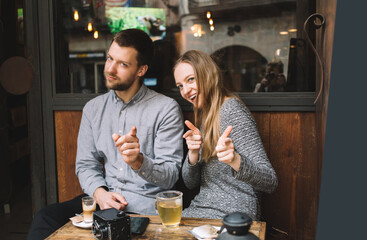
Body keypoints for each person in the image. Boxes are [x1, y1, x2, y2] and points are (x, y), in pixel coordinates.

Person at [27, 29, 184, 240]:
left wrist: (138, 162)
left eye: (123, 64)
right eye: (110, 58)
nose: (110, 69)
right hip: (103, 200)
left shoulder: (165, 109)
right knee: (45, 217)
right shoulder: (94, 108)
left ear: (141, 70)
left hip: (143, 206)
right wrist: (100, 194)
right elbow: (85, 165)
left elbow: (171, 175)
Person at [173, 50, 278, 220]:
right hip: (201, 211)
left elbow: (270, 181)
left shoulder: (231, 110)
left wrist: (235, 160)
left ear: (208, 75)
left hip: (234, 218)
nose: (185, 90)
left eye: (190, 79)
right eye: (180, 86)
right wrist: (193, 154)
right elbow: (190, 183)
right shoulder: (206, 114)